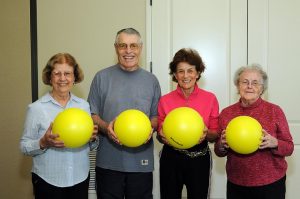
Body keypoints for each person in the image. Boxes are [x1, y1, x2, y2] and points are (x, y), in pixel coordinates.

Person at [87, 28, 161, 199]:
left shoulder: (151, 80)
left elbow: (156, 116)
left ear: (140, 48)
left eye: (133, 45)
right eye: (123, 45)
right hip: (108, 163)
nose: (128, 51)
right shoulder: (101, 77)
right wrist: (107, 128)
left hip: (141, 164)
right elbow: (92, 115)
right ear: (116, 48)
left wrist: (150, 128)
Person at [20, 53, 98, 199]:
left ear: (75, 77)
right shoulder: (36, 108)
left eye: (67, 73)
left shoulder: (84, 106)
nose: (63, 78)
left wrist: (92, 139)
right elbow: (24, 146)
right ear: (50, 78)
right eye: (57, 74)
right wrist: (43, 142)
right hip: (47, 181)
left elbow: (91, 145)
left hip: (79, 178)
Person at [214, 64, 294, 199]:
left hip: (271, 183)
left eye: (255, 83)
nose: (249, 86)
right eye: (245, 82)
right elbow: (219, 151)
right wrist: (221, 144)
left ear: (262, 88)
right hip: (237, 183)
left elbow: (289, 148)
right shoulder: (227, 113)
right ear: (237, 86)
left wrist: (275, 143)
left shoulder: (275, 111)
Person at [157, 48, 219, 199]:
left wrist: (207, 134)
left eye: (190, 71)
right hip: (171, 157)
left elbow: (215, 133)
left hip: (199, 157)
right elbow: (160, 131)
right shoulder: (165, 100)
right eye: (181, 71)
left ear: (197, 73)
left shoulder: (210, 98)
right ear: (175, 75)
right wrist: (161, 135)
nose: (186, 76)